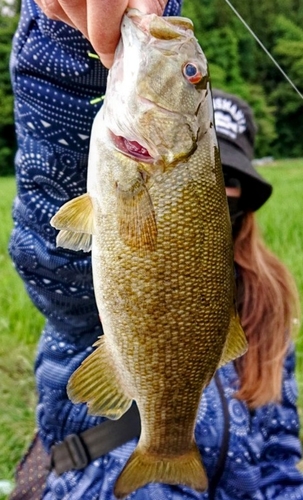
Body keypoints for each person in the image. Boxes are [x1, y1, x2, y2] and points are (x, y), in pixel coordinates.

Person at [8, 0, 303, 497]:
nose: (219, 189)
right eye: (216, 174)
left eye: (231, 181)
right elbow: (50, 256)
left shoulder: (266, 304)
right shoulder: (120, 176)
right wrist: (65, 40)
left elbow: (279, 455)